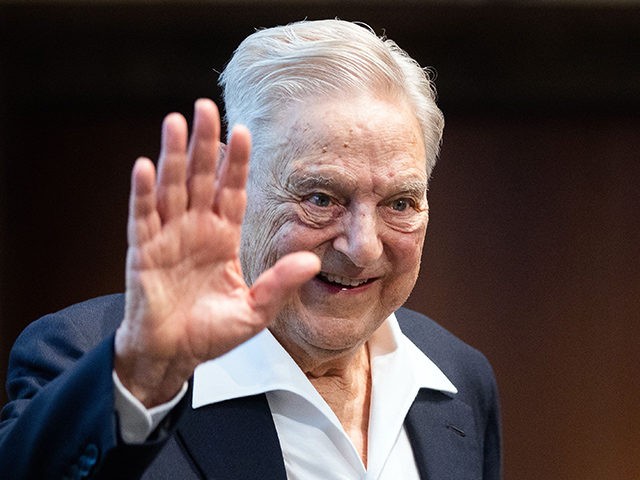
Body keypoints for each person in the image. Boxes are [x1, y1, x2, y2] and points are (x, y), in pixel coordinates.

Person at [0, 19, 501, 479]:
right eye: (321, 198)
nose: (363, 248)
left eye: (400, 203)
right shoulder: (93, 361)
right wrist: (144, 379)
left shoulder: (458, 378)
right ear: (228, 181)